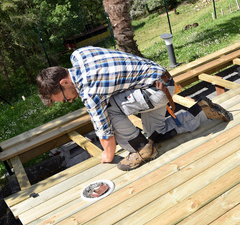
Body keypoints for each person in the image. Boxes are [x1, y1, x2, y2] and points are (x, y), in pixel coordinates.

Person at [37, 46, 230, 171]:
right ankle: (202, 110)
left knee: (108, 109)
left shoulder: (89, 92)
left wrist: (106, 156)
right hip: (161, 81)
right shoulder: (79, 55)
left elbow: (106, 137)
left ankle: (141, 149)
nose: (70, 101)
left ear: (64, 82)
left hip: (153, 91)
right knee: (157, 133)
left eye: (65, 98)